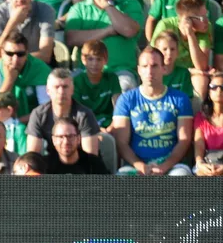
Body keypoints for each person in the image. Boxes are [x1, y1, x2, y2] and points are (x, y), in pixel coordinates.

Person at [113, 47, 193, 176]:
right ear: (138, 70)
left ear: (164, 68)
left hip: (173, 166)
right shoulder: (126, 100)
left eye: (154, 66)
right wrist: (141, 166)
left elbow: (184, 140)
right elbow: (121, 143)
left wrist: (164, 167)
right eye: (145, 66)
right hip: (136, 165)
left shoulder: (180, 99)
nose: (149, 71)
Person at [65, 0, 143, 92]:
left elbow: (129, 31)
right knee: (66, 88)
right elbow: (71, 38)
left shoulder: (131, 4)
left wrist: (107, 4)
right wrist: (108, 30)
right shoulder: (79, 9)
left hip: (120, 71)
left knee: (124, 87)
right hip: (85, 71)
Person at [26, 68, 100, 157]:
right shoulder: (38, 114)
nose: (61, 92)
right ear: (48, 91)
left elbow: (90, 157)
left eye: (65, 87)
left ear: (72, 90)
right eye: (56, 87)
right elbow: (32, 155)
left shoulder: (84, 115)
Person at [0, 32, 51, 123]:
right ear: (2, 53)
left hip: (35, 125)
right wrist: (8, 81)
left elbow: (46, 111)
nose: (15, 60)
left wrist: (16, 123)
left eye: (20, 54)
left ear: (27, 54)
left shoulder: (40, 70)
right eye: (9, 54)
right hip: (2, 125)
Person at [72, 40, 121, 133]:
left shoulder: (112, 78)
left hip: (109, 124)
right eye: (90, 59)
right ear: (83, 60)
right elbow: (77, 112)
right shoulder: (76, 81)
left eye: (99, 59)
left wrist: (111, 127)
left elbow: (118, 108)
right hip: (86, 124)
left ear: (105, 60)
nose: (94, 64)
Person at [153, 31, 194, 98]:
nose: (169, 53)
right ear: (157, 52)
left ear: (177, 52)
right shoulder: (152, 73)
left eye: (172, 49)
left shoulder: (183, 74)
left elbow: (185, 99)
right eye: (164, 49)